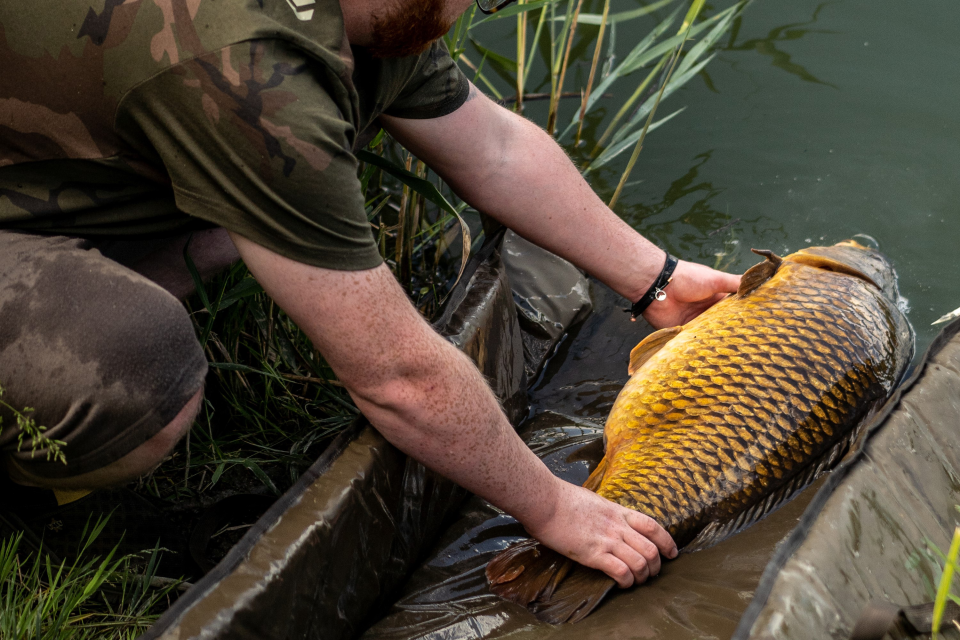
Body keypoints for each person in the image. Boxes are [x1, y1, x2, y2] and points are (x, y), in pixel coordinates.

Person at [0, 0, 739, 587]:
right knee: (140, 374)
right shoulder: (249, 71)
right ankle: (42, 505)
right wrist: (552, 507)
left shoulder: (369, 18)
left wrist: (659, 280)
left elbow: (494, 148)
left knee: (284, 210)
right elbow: (397, 378)